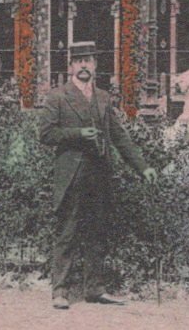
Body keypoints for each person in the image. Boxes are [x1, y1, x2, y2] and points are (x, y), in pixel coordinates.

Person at [37, 41, 157, 309]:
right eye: (78, 61)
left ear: (95, 65)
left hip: (99, 173)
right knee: (67, 232)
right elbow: (45, 135)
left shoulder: (103, 98)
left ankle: (95, 288)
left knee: (96, 232)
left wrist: (142, 166)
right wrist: (77, 134)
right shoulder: (58, 97)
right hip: (71, 175)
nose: (83, 66)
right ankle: (60, 291)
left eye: (88, 60)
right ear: (70, 66)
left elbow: (119, 136)